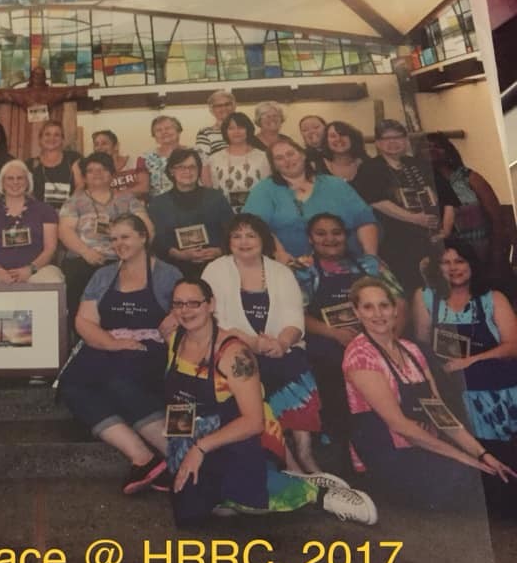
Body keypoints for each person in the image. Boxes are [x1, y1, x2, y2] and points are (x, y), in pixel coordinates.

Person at [164, 276, 378, 527]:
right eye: (178, 304)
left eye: (194, 303)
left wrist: (199, 449)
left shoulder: (234, 353)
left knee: (246, 494)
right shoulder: (176, 340)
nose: (185, 311)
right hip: (197, 435)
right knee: (191, 512)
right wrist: (178, 450)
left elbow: (254, 421)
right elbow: (179, 399)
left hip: (238, 436)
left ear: (211, 304)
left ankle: (321, 494)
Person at [344, 276, 516, 510]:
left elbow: (439, 412)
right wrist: (464, 458)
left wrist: (482, 454)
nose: (378, 314)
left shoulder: (412, 350)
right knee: (483, 484)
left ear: (395, 309)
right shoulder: (360, 355)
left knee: (503, 463)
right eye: (368, 307)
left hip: (427, 443)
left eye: (384, 305)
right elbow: (400, 426)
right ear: (356, 312)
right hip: (391, 453)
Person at [57, 214, 182, 494]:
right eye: (113, 239)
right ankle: (143, 458)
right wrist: (112, 343)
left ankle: (177, 453)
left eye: (125, 237)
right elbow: (84, 321)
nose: (118, 244)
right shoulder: (103, 275)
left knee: (119, 382)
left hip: (149, 348)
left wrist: (175, 318)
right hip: (107, 345)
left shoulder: (168, 274)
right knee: (72, 384)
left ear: (143, 237)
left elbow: (186, 308)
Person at [201, 214, 323, 473]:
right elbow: (215, 321)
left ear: (263, 240)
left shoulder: (281, 272)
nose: (244, 242)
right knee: (253, 374)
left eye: (250, 235)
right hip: (234, 350)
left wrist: (282, 343)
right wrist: (253, 344)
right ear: (228, 241)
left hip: (279, 348)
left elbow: (294, 319)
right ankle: (285, 456)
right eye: (237, 236)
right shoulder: (215, 270)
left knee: (295, 365)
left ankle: (305, 452)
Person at [295, 213, 406, 465]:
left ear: (346, 236)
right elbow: (297, 315)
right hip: (329, 344)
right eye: (321, 233)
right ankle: (347, 451)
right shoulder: (303, 270)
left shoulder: (370, 265)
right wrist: (334, 333)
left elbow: (399, 301)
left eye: (336, 232)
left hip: (378, 340)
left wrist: (389, 340)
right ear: (310, 238)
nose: (330, 238)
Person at [413, 242, 517, 474]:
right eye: (445, 262)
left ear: (472, 264)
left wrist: (470, 361)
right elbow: (421, 346)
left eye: (459, 261)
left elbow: (513, 346)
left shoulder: (493, 298)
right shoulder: (425, 297)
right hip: (450, 385)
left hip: (498, 387)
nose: (453, 268)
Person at [353, 120, 456, 290]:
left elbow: (449, 199)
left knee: (446, 285)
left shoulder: (421, 164)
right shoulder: (370, 168)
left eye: (398, 137)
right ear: (378, 143)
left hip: (437, 240)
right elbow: (375, 201)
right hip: (398, 244)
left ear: (406, 140)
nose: (393, 142)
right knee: (414, 288)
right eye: (386, 138)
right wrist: (414, 218)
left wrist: (446, 229)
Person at [59, 153, 153, 332]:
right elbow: (65, 231)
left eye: (103, 169)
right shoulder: (74, 202)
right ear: (84, 176)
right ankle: (81, 336)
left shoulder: (128, 200)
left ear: (112, 174)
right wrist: (86, 252)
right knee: (78, 277)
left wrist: (130, 256)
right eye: (91, 170)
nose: (97, 173)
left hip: (121, 259)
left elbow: (147, 228)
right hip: (82, 259)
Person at [244, 139, 378, 261]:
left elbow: (365, 220)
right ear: (274, 165)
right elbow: (254, 226)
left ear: (303, 155)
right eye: (279, 158)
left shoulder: (336, 185)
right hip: (289, 265)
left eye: (290, 154)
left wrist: (370, 257)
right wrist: (280, 253)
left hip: (345, 262)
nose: (287, 160)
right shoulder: (263, 190)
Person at [420, 132, 513, 286]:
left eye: (437, 146)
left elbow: (497, 219)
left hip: (485, 252)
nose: (431, 150)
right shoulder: (422, 187)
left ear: (448, 150)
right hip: (450, 264)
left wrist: (496, 256)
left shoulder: (469, 178)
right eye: (426, 147)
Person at [0, 160, 63, 284]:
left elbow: (50, 248)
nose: (15, 182)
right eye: (10, 178)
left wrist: (30, 269)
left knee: (52, 280)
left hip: (37, 269)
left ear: (28, 182)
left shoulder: (45, 210)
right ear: (2, 182)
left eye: (20, 178)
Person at [150, 148, 234, 278]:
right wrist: (179, 254)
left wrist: (219, 251)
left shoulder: (215, 197)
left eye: (192, 167)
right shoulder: (159, 204)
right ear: (172, 171)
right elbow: (156, 241)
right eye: (181, 167)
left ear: (199, 170)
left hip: (216, 267)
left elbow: (232, 230)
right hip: (175, 270)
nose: (187, 172)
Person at [202, 112, 270, 212]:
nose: (236, 132)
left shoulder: (263, 157)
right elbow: (210, 191)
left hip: (257, 211)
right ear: (225, 131)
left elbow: (268, 189)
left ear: (248, 129)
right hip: (224, 212)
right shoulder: (213, 159)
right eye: (231, 128)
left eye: (241, 127)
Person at [27, 120, 82, 209]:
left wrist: (68, 208)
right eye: (47, 134)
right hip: (41, 212)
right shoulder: (30, 164)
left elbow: (80, 185)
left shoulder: (73, 158)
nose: (52, 138)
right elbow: (28, 193)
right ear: (40, 139)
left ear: (62, 140)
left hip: (71, 210)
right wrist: (43, 211)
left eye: (56, 135)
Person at [92, 129, 147, 198]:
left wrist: (118, 194)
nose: (99, 148)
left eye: (104, 143)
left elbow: (144, 188)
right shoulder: (95, 171)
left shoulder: (136, 161)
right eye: (96, 144)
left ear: (116, 146)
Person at [140, 115, 184, 199]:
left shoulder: (196, 152)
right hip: (159, 203)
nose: (164, 132)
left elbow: (206, 184)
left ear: (178, 131)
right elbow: (143, 189)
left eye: (168, 128)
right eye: (158, 130)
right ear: (154, 136)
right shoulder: (145, 157)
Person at [317, 121, 371, 185]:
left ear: (352, 138)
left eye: (343, 134)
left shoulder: (367, 163)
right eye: (333, 136)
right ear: (326, 141)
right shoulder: (317, 166)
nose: (338, 139)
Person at [194, 90, 236, 164]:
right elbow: (202, 162)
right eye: (219, 106)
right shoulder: (205, 133)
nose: (224, 108)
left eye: (227, 104)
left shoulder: (244, 129)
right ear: (211, 110)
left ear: (234, 106)